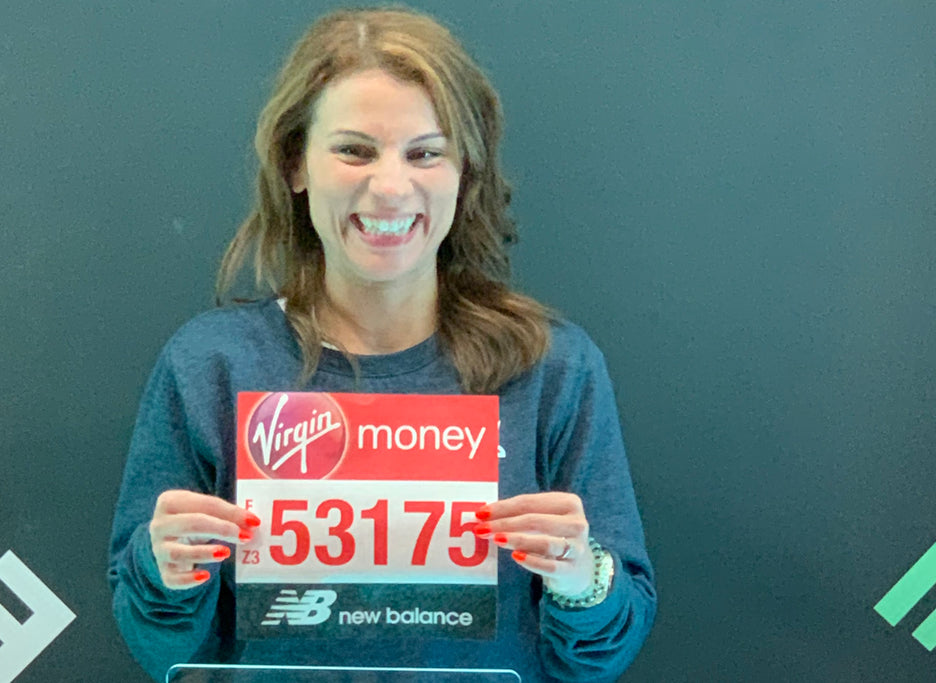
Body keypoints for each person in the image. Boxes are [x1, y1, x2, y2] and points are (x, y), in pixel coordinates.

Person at [108, 6, 656, 682]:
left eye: (426, 152)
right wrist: (164, 570)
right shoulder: (209, 367)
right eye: (354, 149)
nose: (391, 186)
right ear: (294, 164)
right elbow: (159, 649)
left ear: (466, 171)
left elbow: (604, 653)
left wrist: (584, 576)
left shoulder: (552, 369)